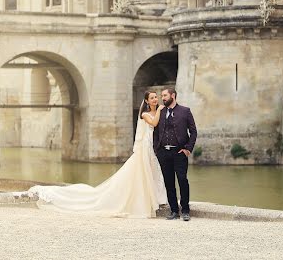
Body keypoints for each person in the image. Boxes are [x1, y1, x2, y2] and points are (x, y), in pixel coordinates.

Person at [24, 91, 167, 218]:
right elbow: (154, 124)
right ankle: (143, 203)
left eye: (156, 97)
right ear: (147, 101)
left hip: (151, 148)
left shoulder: (157, 112)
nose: (155, 99)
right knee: (142, 174)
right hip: (144, 148)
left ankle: (155, 200)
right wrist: (160, 110)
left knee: (152, 173)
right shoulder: (145, 114)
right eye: (152, 98)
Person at [153, 87, 197, 221]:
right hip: (163, 153)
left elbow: (193, 131)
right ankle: (174, 211)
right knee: (168, 182)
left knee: (182, 180)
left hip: (179, 152)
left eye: (165, 95)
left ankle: (185, 210)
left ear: (173, 95)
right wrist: (157, 149)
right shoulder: (160, 111)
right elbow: (156, 132)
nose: (163, 98)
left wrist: (188, 148)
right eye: (162, 96)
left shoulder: (185, 111)